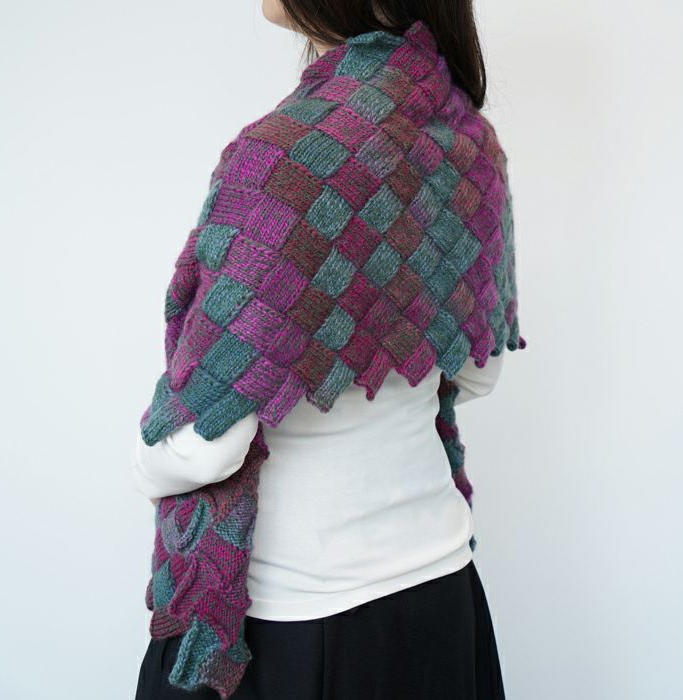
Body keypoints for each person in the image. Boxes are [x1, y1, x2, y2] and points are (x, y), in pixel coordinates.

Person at [133, 1, 519, 698]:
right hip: (443, 599)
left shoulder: (283, 163)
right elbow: (475, 369)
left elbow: (207, 442)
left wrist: (145, 464)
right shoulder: (468, 144)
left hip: (301, 626)